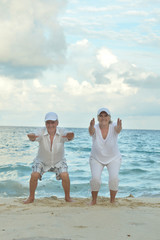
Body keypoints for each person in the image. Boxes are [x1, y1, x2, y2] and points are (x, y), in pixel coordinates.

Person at [24, 112, 74, 204]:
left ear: (57, 123)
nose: (50, 125)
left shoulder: (62, 131)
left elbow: (69, 135)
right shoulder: (41, 131)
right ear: (45, 123)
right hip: (42, 161)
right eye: (48, 123)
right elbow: (33, 135)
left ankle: (67, 198)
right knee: (34, 175)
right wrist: (31, 136)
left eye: (52, 122)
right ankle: (31, 198)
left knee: (65, 175)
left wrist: (70, 135)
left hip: (58, 161)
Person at [89, 107, 122, 205]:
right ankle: (94, 200)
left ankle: (112, 200)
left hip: (113, 158)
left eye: (105, 116)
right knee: (95, 179)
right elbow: (91, 132)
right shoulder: (94, 127)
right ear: (98, 118)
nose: (103, 118)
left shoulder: (114, 125)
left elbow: (118, 129)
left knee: (114, 178)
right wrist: (90, 126)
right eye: (101, 116)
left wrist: (120, 127)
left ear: (109, 117)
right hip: (96, 158)